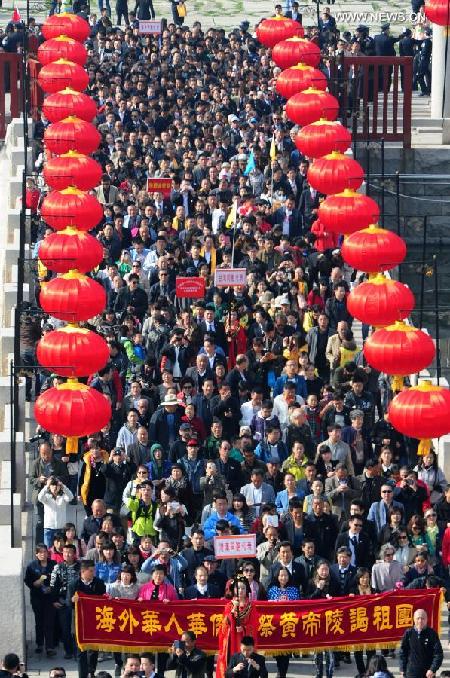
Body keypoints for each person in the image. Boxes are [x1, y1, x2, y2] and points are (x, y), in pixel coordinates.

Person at [216, 576, 258, 678]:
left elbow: (255, 625)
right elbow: (224, 625)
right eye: (238, 588)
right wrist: (234, 607)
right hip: (232, 638)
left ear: (246, 589)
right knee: (232, 662)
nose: (240, 590)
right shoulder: (229, 605)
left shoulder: (251, 606)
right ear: (234, 589)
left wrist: (244, 628)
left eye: (243, 588)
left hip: (244, 639)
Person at [24, 544, 56, 656]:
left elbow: (58, 580)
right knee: (39, 622)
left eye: (45, 552)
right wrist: (36, 583)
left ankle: (50, 647)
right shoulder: (31, 566)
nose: (43, 554)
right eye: (40, 552)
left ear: (48, 553)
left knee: (49, 622)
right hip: (37, 597)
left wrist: (51, 588)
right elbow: (27, 581)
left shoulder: (53, 564)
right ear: (36, 554)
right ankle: (39, 644)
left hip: (50, 598)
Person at [399, 609, 443, 678]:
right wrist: (402, 668)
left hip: (427, 673)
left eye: (423, 618)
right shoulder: (408, 633)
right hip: (411, 672)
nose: (420, 621)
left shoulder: (432, 634)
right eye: (418, 618)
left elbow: (438, 654)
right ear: (414, 619)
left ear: (426, 619)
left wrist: (432, 669)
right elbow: (403, 652)